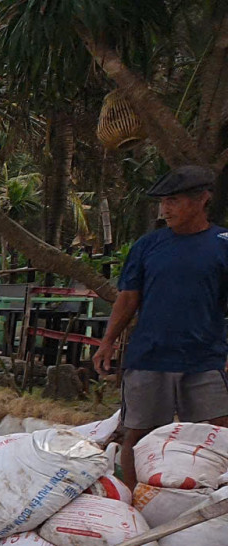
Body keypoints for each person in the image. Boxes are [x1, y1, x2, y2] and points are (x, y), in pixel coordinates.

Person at [92, 164, 228, 484]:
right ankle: (131, 501)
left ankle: (213, 501)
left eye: (174, 201)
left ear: (202, 199)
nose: (165, 209)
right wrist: (108, 340)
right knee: (138, 433)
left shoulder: (223, 244)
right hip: (150, 356)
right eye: (163, 202)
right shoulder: (148, 246)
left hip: (205, 358)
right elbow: (128, 298)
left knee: (216, 432)